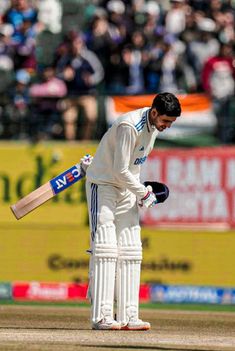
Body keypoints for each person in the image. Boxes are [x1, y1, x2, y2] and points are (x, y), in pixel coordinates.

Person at [84, 92, 182, 330]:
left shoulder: (154, 128)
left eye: (171, 123)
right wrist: (143, 193)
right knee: (106, 247)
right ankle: (102, 316)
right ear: (155, 112)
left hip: (127, 187)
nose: (167, 127)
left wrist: (140, 191)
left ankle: (129, 316)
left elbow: (132, 167)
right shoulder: (130, 125)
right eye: (165, 121)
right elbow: (119, 170)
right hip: (104, 184)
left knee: (130, 248)